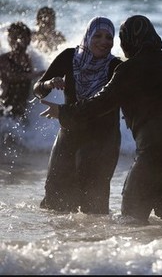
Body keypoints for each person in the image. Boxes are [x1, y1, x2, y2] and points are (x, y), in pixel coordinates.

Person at [39, 15, 162, 223]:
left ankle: (144, 254)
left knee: (131, 212)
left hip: (157, 143)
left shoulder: (128, 69)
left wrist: (63, 113)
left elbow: (102, 102)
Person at [34, 17, 122, 214]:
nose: (104, 41)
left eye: (109, 37)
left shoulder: (116, 67)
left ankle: (94, 244)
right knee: (56, 203)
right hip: (69, 136)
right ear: (88, 36)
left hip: (103, 141)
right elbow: (38, 89)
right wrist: (49, 83)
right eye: (98, 35)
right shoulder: (69, 57)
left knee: (94, 210)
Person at [0, 21, 42, 121]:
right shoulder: (4, 58)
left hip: (22, 109)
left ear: (29, 40)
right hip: (5, 109)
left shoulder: (28, 58)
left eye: (21, 37)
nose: (17, 41)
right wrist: (33, 75)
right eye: (12, 37)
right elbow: (9, 77)